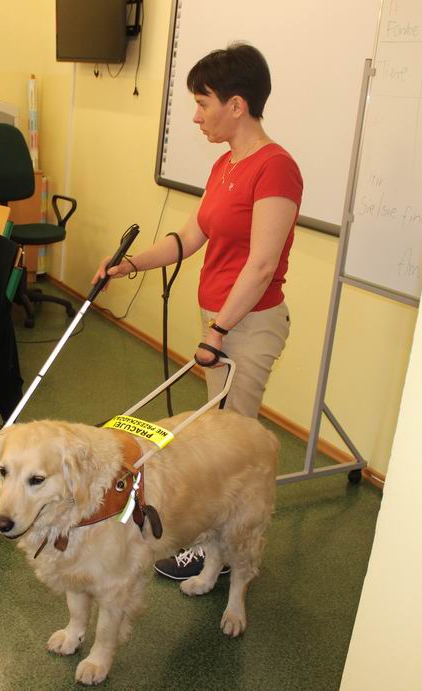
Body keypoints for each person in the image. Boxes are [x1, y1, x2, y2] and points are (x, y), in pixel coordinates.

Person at [92, 43, 303, 581]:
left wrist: (220, 329)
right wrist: (129, 264)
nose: (195, 115)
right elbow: (189, 238)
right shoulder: (225, 165)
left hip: (248, 326)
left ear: (236, 105)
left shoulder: (276, 169)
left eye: (202, 102)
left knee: (233, 446)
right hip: (222, 322)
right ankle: (215, 545)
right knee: (216, 437)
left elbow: (261, 265)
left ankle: (226, 557)